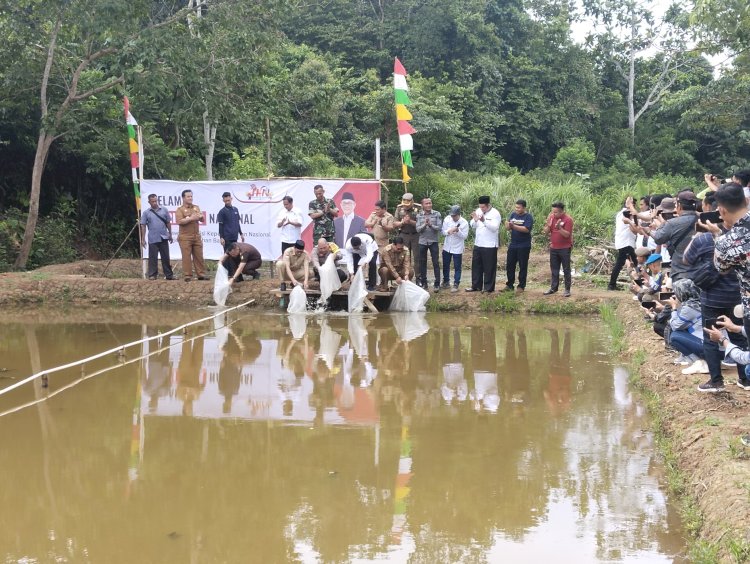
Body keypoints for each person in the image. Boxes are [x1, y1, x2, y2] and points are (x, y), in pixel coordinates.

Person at [683, 193, 745, 387]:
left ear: (721, 211)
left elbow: (686, 259)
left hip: (712, 296)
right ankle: (745, 379)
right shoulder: (743, 236)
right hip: (737, 297)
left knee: (711, 336)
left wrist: (697, 236)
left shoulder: (704, 240)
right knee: (739, 336)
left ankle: (716, 381)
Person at [702, 183, 750, 397]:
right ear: (746, 201)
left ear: (721, 211)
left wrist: (718, 236)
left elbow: (721, 267)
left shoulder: (727, 241)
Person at [643, 190, 699, 282]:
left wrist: (649, 231)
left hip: (680, 269)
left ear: (679, 206)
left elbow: (658, 238)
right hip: (700, 270)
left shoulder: (673, 223)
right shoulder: (704, 220)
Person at [466, 195, 501, 293]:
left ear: (488, 205)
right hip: (478, 243)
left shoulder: (495, 213)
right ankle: (476, 286)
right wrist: (475, 220)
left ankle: (488, 288)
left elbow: (494, 228)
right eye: (480, 207)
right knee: (476, 265)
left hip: (489, 244)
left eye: (483, 207)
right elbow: (472, 225)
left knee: (489, 267)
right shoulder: (478, 210)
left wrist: (484, 221)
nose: (481, 209)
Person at [139, 193, 175, 280]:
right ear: (149, 202)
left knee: (166, 257)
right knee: (152, 258)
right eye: (152, 201)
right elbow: (143, 226)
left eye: (155, 201)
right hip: (153, 238)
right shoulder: (146, 213)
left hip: (163, 237)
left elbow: (168, 223)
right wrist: (143, 239)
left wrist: (170, 234)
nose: (155, 203)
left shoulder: (164, 210)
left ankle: (169, 275)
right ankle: (152, 275)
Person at [175, 189, 208, 281]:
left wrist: (201, 217)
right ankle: (188, 275)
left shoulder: (196, 207)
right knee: (186, 257)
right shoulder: (180, 209)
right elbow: (179, 221)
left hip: (196, 236)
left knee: (199, 256)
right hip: (185, 237)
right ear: (183, 198)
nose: (190, 198)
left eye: (191, 196)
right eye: (188, 196)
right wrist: (191, 218)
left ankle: (201, 274)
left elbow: (201, 219)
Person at [542, 202, 574, 297]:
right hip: (554, 247)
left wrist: (559, 227)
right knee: (554, 269)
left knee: (566, 269)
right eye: (553, 212)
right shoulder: (551, 217)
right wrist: (548, 225)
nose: (553, 214)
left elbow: (567, 235)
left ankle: (567, 290)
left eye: (555, 212)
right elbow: (545, 232)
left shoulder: (568, 219)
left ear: (561, 212)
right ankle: (553, 288)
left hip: (564, 248)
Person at [504, 199, 534, 293]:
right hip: (513, 244)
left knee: (522, 266)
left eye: (518, 207)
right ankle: (509, 285)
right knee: (510, 265)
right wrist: (507, 225)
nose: (516, 209)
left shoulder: (528, 217)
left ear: (524, 208)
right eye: (516, 207)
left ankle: (521, 286)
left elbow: (526, 229)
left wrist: (513, 226)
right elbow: (508, 228)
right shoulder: (513, 215)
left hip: (524, 245)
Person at [608, 197, 638, 290]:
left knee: (631, 262)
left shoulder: (620, 213)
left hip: (622, 241)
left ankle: (612, 285)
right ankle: (611, 285)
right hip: (626, 242)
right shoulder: (627, 213)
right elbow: (635, 224)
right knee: (635, 263)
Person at [415, 197, 442, 291]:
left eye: (430, 203)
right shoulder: (419, 215)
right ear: (422, 205)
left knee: (435, 262)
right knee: (422, 263)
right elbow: (418, 229)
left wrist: (431, 225)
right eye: (426, 203)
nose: (429, 205)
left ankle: (437, 284)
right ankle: (424, 283)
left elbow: (439, 228)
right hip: (422, 241)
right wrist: (425, 225)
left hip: (433, 241)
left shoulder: (436, 214)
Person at [441, 205, 469, 292]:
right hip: (447, 246)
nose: (453, 217)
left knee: (457, 266)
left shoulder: (464, 222)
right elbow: (443, 231)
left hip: (457, 247)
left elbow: (464, 236)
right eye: (452, 215)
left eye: (454, 216)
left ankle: (456, 283)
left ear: (458, 214)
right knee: (446, 265)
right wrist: (449, 231)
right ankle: (446, 281)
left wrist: (458, 231)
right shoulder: (447, 219)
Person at [393, 193, 421, 267]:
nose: (405, 206)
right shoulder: (399, 208)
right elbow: (394, 223)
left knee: (417, 257)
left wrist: (410, 221)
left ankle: (418, 277)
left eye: (407, 205)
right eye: (404, 205)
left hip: (416, 235)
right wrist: (402, 222)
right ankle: (406, 275)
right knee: (404, 256)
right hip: (404, 235)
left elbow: (421, 224)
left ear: (412, 202)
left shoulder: (418, 208)